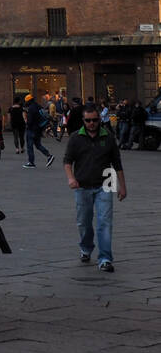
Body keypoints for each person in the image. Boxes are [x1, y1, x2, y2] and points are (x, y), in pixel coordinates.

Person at [64, 106, 126, 271]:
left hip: (106, 182)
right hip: (82, 185)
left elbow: (117, 163)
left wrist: (122, 186)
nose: (92, 123)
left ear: (100, 119)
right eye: (88, 120)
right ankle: (86, 247)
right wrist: (71, 178)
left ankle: (105, 259)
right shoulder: (76, 137)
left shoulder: (108, 136)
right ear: (83, 121)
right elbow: (67, 161)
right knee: (83, 222)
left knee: (104, 222)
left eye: (95, 120)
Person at [23, 93, 54, 169]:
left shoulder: (31, 108)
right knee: (38, 145)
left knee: (30, 146)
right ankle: (49, 156)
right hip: (39, 128)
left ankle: (31, 162)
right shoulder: (38, 106)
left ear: (28, 101)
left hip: (32, 129)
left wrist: (27, 123)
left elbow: (30, 121)